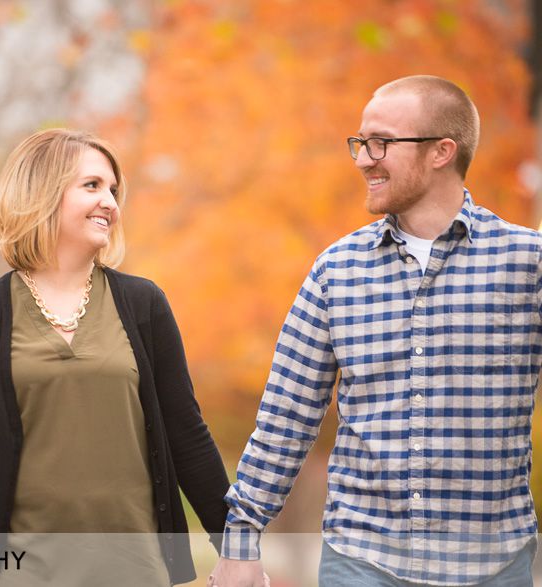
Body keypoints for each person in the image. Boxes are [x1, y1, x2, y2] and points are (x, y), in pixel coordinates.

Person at [209, 75, 539, 587]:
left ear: (441, 152)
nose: (364, 158)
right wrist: (240, 541)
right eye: (360, 143)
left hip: (495, 566)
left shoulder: (526, 264)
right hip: (363, 563)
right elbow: (286, 417)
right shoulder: (335, 271)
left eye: (381, 142)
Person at [0, 128, 230, 586]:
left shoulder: (143, 306)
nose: (111, 204)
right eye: (93, 186)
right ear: (42, 191)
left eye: (114, 191)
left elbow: (188, 435)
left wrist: (238, 550)